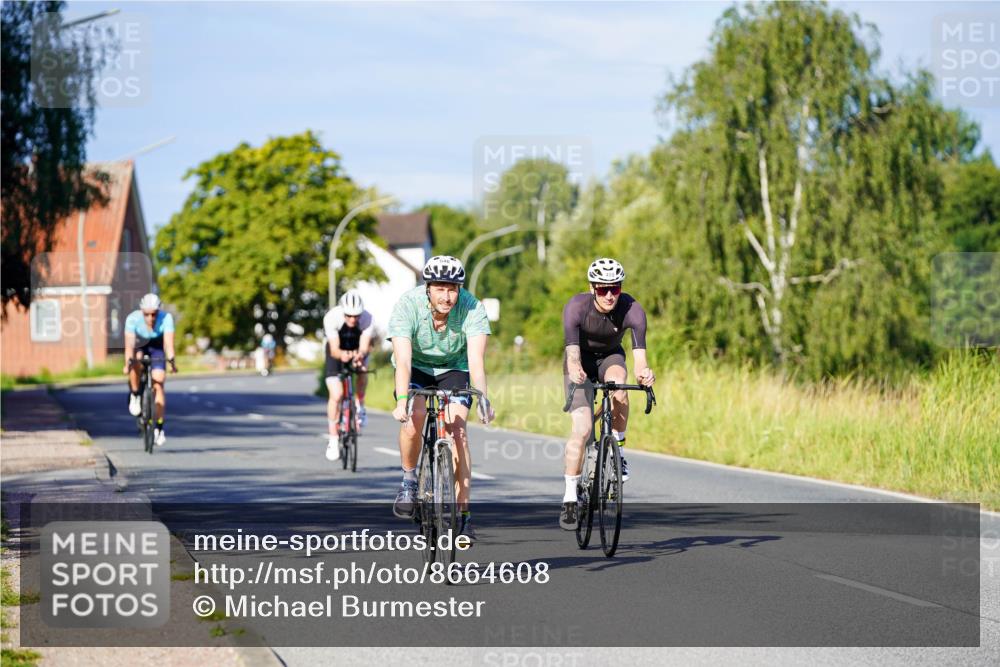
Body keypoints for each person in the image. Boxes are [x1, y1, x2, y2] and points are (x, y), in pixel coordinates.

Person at [388, 255, 494, 541]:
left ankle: (463, 517)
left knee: (458, 431)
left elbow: (476, 361)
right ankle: (409, 480)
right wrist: (402, 400)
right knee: (415, 416)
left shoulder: (472, 308)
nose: (447, 297)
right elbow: (404, 361)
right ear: (428, 288)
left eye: (452, 289)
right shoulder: (407, 306)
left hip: (454, 368)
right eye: (440, 289)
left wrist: (483, 397)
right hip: (416, 367)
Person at [559, 258, 655, 530]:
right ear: (592, 288)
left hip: (611, 357)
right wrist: (576, 370)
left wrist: (645, 374)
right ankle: (569, 498)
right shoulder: (576, 307)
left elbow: (639, 360)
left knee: (620, 385)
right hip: (580, 361)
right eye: (603, 289)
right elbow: (573, 355)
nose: (610, 295)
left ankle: (618, 449)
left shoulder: (632, 309)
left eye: (615, 288)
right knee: (582, 429)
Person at [323, 290, 374, 461]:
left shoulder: (367, 318)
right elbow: (335, 349)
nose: (353, 319)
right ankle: (333, 438)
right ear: (342, 311)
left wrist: (359, 356)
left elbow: (365, 346)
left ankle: (360, 406)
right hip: (336, 350)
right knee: (336, 395)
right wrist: (343, 356)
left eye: (356, 316)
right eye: (349, 316)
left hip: (356, 346)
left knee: (363, 370)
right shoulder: (332, 317)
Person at [123, 293, 177, 447]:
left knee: (159, 382)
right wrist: (128, 364)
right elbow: (129, 346)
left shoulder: (166, 318)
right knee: (135, 360)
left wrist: (172, 361)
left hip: (157, 346)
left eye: (154, 314)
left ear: (158, 311)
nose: (150, 318)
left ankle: (159, 428)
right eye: (147, 314)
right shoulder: (132, 319)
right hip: (140, 344)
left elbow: (168, 344)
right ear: (141, 311)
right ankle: (135, 394)